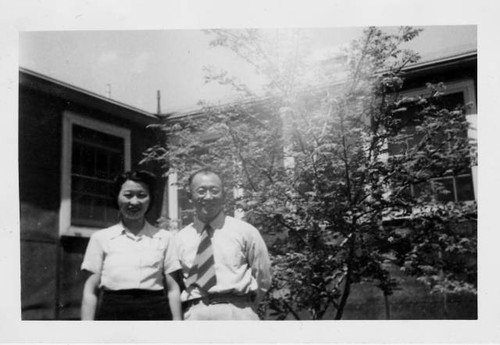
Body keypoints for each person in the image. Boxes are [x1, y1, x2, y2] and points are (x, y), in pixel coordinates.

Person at [80, 170, 182, 320]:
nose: (134, 202)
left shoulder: (165, 238)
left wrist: (177, 327)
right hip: (113, 312)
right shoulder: (101, 238)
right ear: (117, 197)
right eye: (128, 195)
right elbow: (90, 290)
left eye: (141, 195)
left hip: (155, 312)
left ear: (150, 199)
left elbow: (173, 289)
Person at [175, 167, 272, 320]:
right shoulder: (180, 238)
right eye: (201, 191)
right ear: (189, 196)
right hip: (196, 314)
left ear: (224, 195)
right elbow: (177, 283)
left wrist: (246, 308)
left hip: (238, 311)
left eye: (214, 191)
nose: (208, 197)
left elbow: (263, 276)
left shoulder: (245, 231)